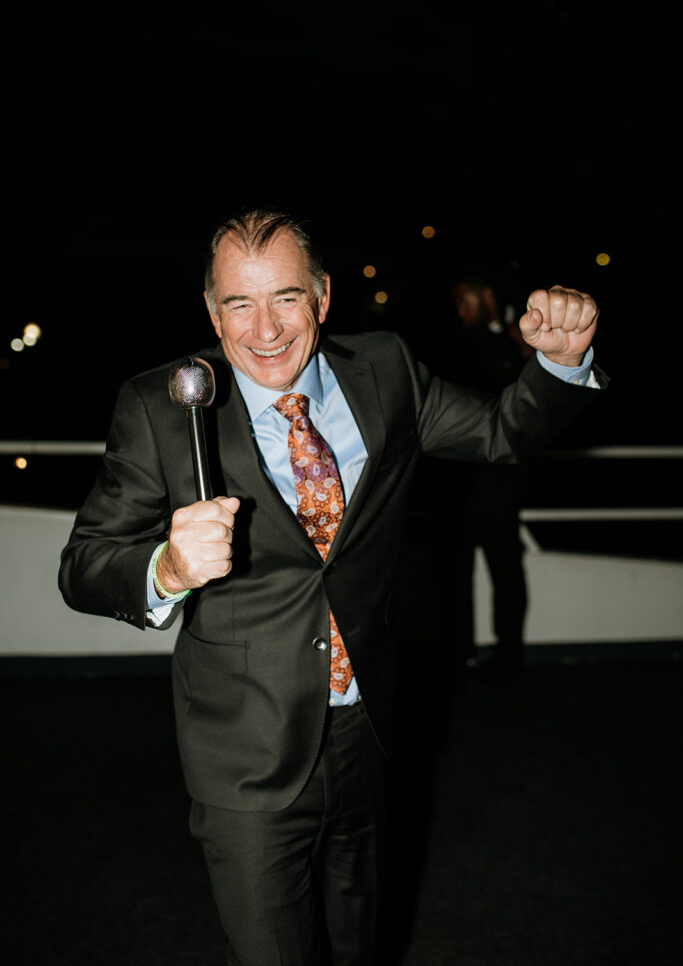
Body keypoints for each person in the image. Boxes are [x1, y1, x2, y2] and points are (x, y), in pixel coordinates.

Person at [59, 209, 604, 966]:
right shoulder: (162, 405)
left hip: (365, 733)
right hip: (244, 757)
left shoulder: (384, 369)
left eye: (286, 298)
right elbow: (84, 566)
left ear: (321, 296)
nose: (265, 330)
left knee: (360, 946)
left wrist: (560, 365)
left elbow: (500, 432)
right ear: (212, 313)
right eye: (239, 304)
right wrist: (168, 569)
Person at [447, 273, 534, 679]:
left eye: (466, 302)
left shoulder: (520, 338)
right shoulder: (463, 343)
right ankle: (459, 657)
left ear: (486, 295)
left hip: (500, 482)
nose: (461, 311)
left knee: (506, 572)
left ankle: (509, 657)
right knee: (455, 576)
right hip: (459, 481)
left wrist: (524, 350)